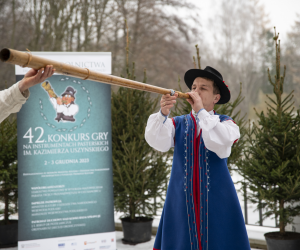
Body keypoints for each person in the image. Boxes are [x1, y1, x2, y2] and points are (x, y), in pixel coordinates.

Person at [145, 66, 250, 250]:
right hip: (181, 201)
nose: (195, 91)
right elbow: (156, 141)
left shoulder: (226, 124)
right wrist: (163, 113)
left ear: (216, 98)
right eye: (194, 87)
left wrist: (201, 112)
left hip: (217, 202)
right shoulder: (176, 123)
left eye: (203, 88)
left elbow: (219, 142)